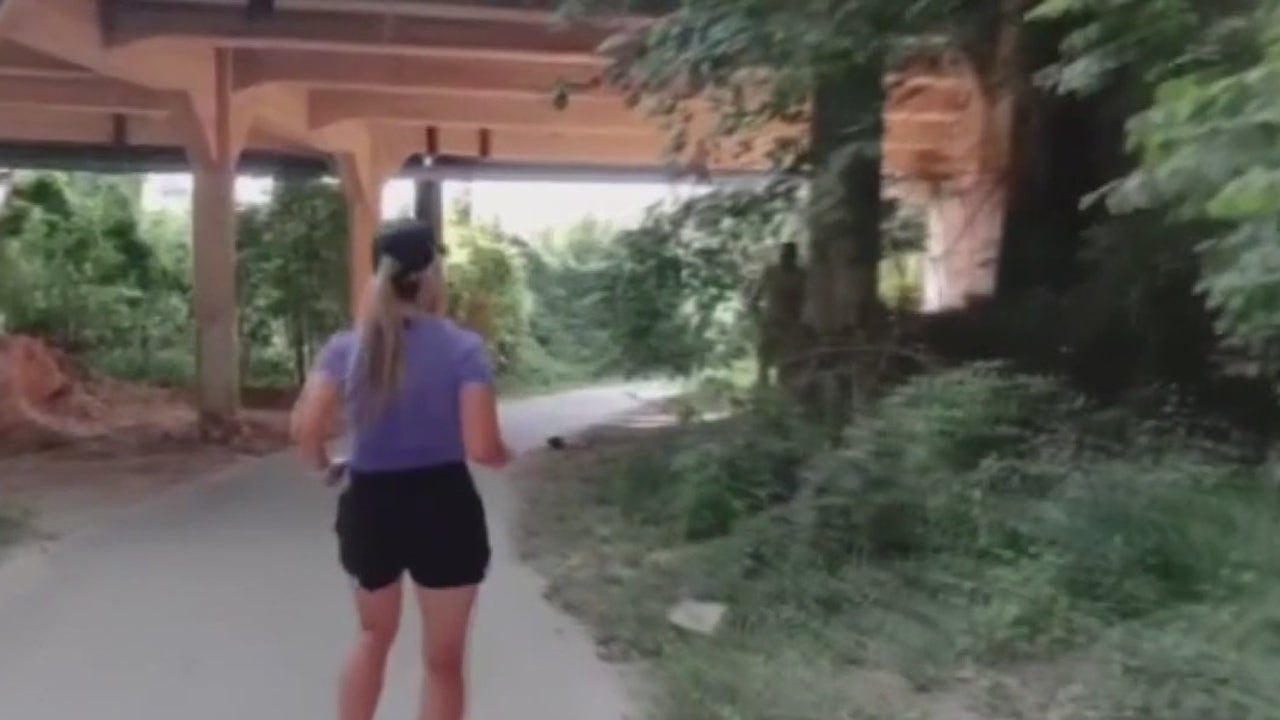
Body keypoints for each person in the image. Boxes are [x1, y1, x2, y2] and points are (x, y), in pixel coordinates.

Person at [290, 219, 512, 720]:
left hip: (371, 504)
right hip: (444, 506)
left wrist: (325, 467)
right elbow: (482, 447)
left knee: (372, 637)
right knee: (443, 662)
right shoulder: (462, 348)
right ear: (431, 275)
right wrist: (507, 457)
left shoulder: (347, 347)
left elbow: (306, 430)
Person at [751, 241, 806, 387]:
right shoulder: (770, 273)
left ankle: (784, 388)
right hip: (771, 320)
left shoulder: (801, 276)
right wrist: (759, 318)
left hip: (792, 324)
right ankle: (763, 386)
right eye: (784, 255)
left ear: (794, 257)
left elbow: (809, 300)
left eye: (789, 255)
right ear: (780, 255)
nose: (785, 258)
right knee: (764, 358)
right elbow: (754, 299)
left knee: (789, 359)